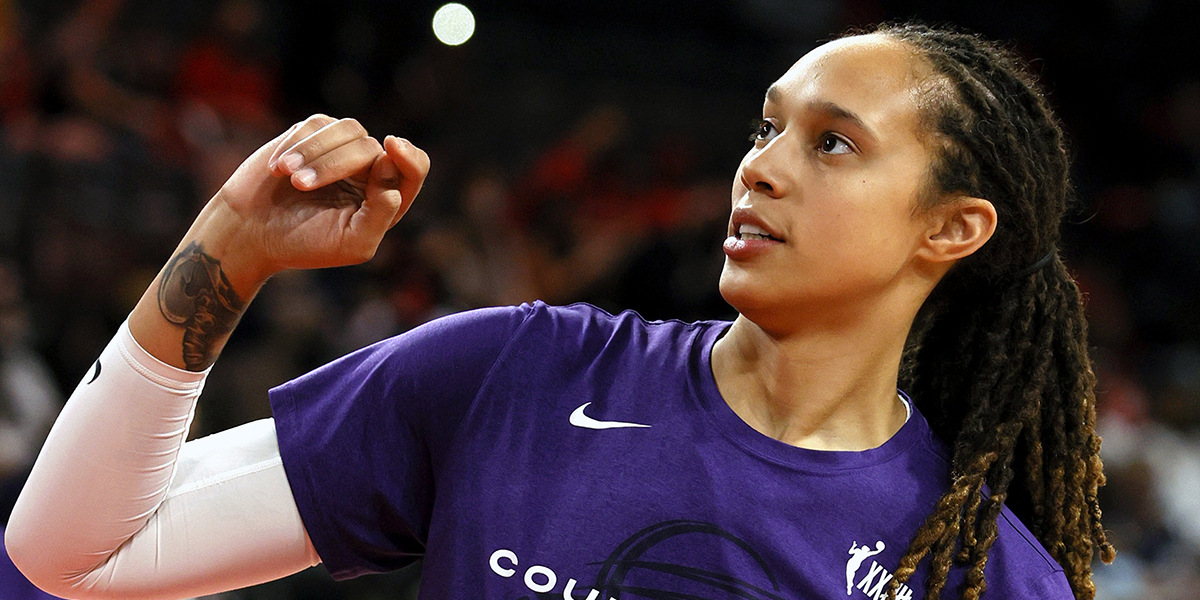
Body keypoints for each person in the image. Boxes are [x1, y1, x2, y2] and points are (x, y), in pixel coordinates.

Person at [4, 22, 1115, 600]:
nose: (762, 170)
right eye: (763, 130)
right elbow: (80, 556)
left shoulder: (986, 577)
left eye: (833, 143)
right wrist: (228, 255)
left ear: (952, 229)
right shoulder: (519, 377)